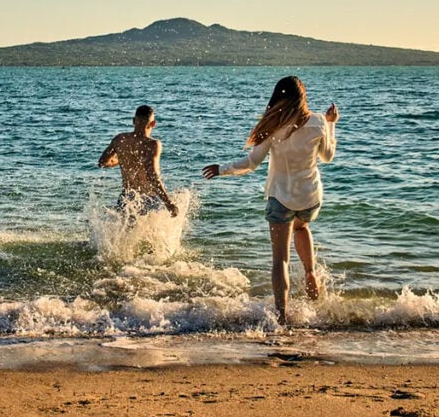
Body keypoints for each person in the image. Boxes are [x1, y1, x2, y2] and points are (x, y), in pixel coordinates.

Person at [202, 76, 338, 324]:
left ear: (278, 97)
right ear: (302, 97)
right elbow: (328, 156)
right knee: (302, 226)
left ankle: (282, 315)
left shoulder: (273, 126)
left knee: (280, 260)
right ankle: (310, 274)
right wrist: (331, 124)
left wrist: (222, 169)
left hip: (281, 199)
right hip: (309, 199)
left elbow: (251, 163)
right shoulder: (318, 122)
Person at [99, 105, 179, 218]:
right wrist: (168, 203)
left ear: (133, 121)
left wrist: (121, 159)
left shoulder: (120, 139)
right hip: (148, 199)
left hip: (126, 198)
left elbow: (102, 162)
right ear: (153, 124)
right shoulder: (153, 145)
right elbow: (152, 175)